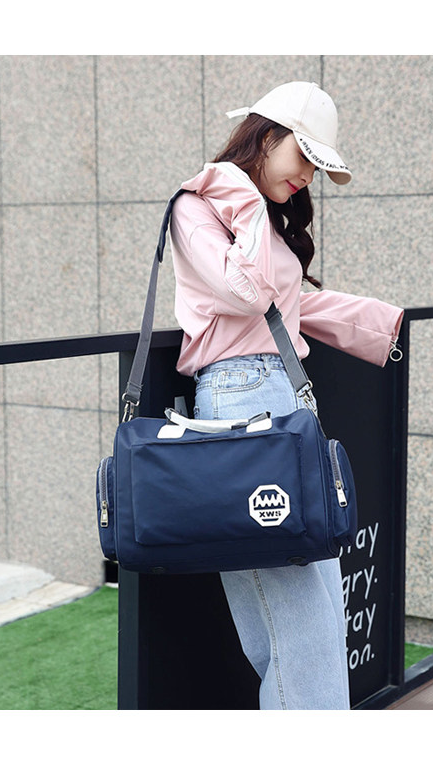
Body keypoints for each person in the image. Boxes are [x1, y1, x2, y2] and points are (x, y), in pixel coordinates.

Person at [169, 81, 404, 710]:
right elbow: (245, 294)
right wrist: (241, 194)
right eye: (304, 156)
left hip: (286, 403)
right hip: (239, 405)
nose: (307, 177)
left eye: (317, 167)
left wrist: (382, 325)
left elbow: (289, 306)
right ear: (265, 135)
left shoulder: (259, 219)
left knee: (321, 616)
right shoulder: (201, 207)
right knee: (295, 623)